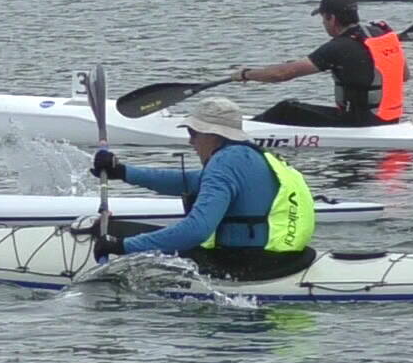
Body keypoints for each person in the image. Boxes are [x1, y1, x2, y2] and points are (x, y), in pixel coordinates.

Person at [88, 98, 316, 280]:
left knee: (115, 230)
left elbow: (197, 230)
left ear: (212, 134)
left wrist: (123, 246)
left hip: (246, 264)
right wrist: (123, 171)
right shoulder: (251, 157)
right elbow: (187, 181)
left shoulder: (225, 163)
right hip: (279, 257)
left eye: (193, 134)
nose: (191, 142)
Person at [230, 0, 409, 128]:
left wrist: (246, 74)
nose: (323, 24)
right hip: (390, 118)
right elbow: (405, 76)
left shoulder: (340, 46)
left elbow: (282, 74)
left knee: (286, 110)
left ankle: (248, 131)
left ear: (331, 18)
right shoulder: (382, 34)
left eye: (323, 18)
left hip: (360, 124)